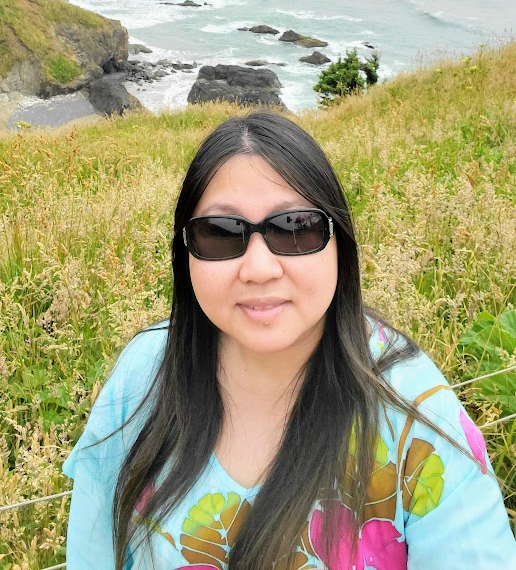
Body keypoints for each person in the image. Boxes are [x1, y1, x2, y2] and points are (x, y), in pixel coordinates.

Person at [64, 112, 515, 569]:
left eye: (296, 228)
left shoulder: (413, 414)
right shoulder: (145, 374)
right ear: (186, 254)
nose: (259, 268)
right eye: (220, 234)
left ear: (340, 241)